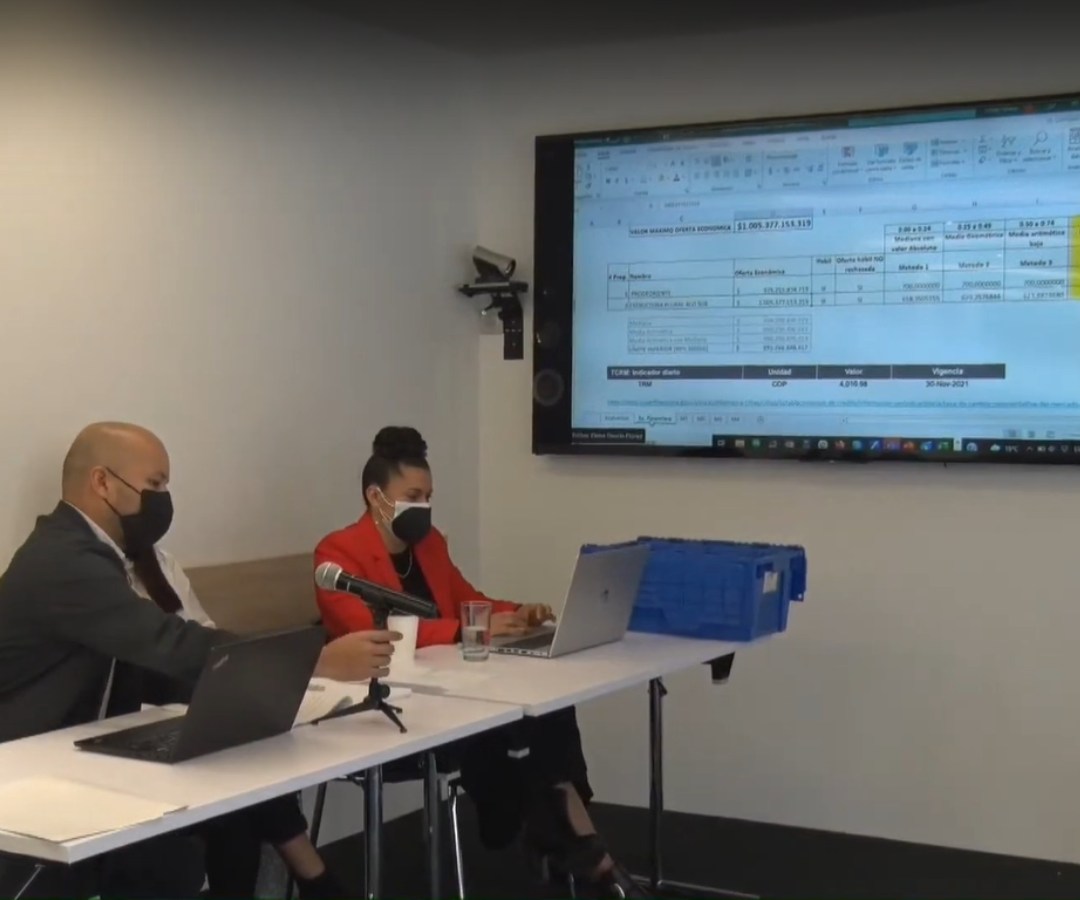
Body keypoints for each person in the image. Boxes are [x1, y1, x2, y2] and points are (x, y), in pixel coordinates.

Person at [0, 422, 400, 898]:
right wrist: (317, 659)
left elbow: (152, 665)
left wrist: (238, 694)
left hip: (76, 754)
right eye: (154, 484)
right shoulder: (64, 559)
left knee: (226, 790)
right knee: (173, 858)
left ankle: (312, 878)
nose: (163, 500)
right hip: (29, 773)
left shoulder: (95, 554)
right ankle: (316, 879)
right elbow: (168, 642)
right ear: (102, 482)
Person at [315, 426, 646, 899]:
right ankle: (572, 839)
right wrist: (472, 629)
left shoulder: (430, 545)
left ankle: (564, 831)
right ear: (375, 496)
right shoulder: (338, 554)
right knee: (510, 730)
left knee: (548, 706)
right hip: (390, 706)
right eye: (413, 496)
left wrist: (516, 612)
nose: (424, 507)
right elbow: (369, 630)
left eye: (429, 497)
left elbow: (467, 599)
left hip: (450, 684)